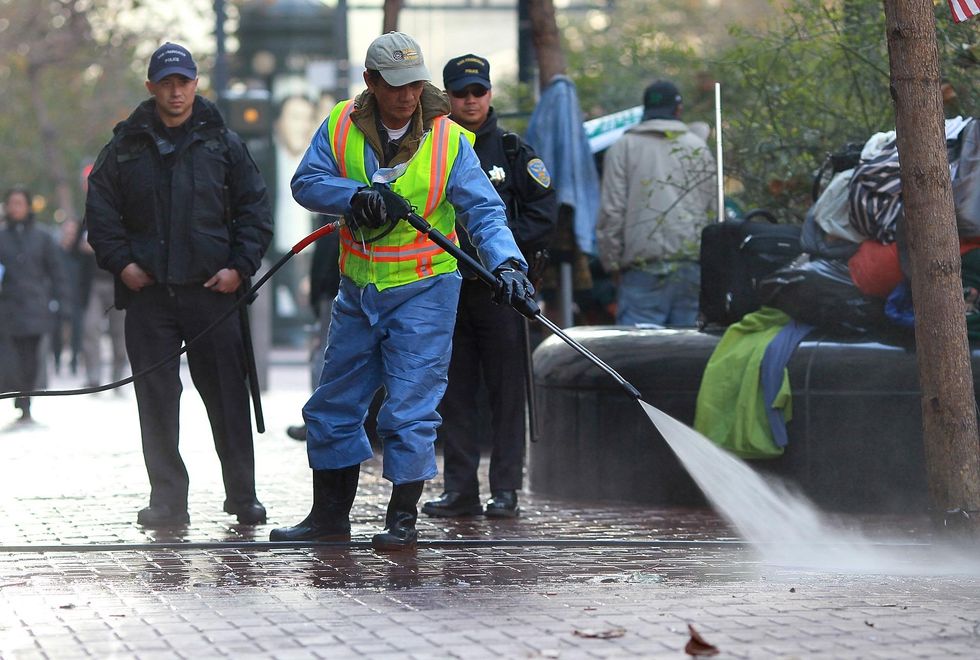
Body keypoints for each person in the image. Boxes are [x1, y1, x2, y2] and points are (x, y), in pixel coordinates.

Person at [270, 32, 533, 551]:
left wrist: (508, 265)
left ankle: (402, 518)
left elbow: (483, 211)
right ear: (370, 83)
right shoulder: (342, 123)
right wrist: (356, 196)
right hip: (358, 291)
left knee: (410, 407)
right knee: (333, 405)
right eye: (394, 87)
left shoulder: (449, 138)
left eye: (415, 85)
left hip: (425, 289)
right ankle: (329, 518)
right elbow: (306, 182)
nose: (407, 96)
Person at [85, 42, 273, 527]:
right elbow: (101, 214)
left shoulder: (225, 144)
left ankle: (242, 495)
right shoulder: (124, 147)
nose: (175, 91)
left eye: (183, 82)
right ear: (151, 87)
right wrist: (121, 264)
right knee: (156, 401)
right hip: (149, 297)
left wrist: (239, 268)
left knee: (229, 399)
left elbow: (255, 212)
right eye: (166, 82)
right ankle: (168, 500)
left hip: (213, 294)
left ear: (195, 85)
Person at [421, 54, 557, 519]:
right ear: (448, 96)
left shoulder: (516, 152)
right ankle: (460, 488)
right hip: (447, 288)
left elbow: (544, 215)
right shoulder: (430, 148)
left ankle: (506, 489)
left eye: (478, 91)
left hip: (503, 293)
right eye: (461, 93)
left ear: (490, 94)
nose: (471, 100)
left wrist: (502, 254)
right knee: (454, 392)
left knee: (505, 393)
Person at [596, 79, 716, 327]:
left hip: (641, 269)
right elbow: (712, 210)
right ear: (678, 109)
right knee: (684, 354)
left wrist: (613, 264)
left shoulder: (623, 147)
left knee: (640, 358)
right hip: (690, 268)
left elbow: (612, 210)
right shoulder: (697, 147)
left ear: (645, 109)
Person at [0, 187, 67, 424]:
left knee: (32, 358)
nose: (16, 208)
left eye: (20, 203)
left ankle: (27, 399)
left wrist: (60, 302)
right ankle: (19, 398)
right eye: (12, 203)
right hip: (7, 309)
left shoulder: (43, 237)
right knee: (11, 359)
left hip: (35, 307)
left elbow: (56, 271)